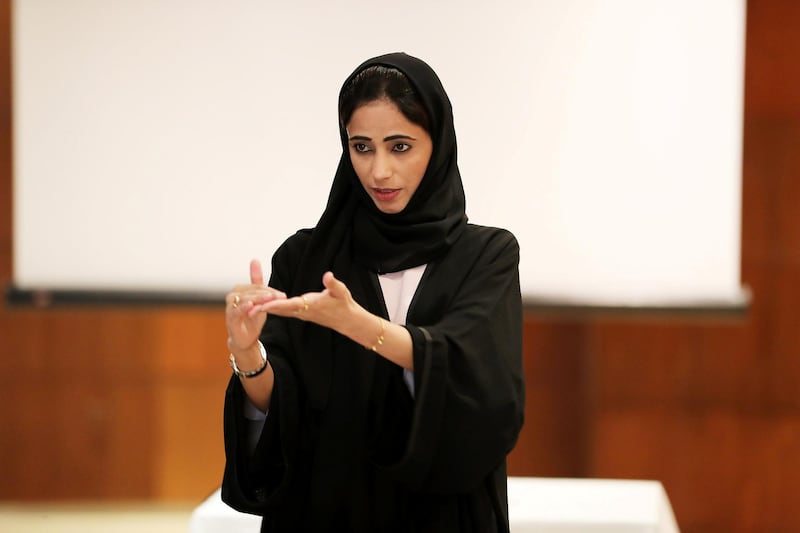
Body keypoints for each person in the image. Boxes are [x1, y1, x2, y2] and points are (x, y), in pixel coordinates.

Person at [221, 52, 525, 533]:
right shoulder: (305, 258)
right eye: (362, 148)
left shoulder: (486, 255)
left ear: (438, 143)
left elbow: (481, 383)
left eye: (400, 147)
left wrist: (356, 324)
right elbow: (283, 409)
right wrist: (246, 350)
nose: (379, 171)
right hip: (324, 511)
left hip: (441, 513)